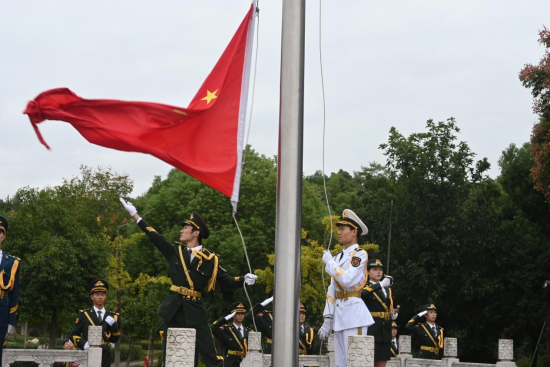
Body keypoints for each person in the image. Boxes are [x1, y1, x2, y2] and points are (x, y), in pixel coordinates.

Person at [119, 198, 258, 367]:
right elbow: (154, 235)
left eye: (186, 227)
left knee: (210, 356)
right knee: (169, 354)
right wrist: (135, 214)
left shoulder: (210, 259)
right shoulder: (175, 251)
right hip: (174, 308)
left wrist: (244, 280)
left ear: (196, 233)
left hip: (195, 310)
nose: (182, 230)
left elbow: (225, 281)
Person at [318, 209, 375, 367]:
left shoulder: (359, 254)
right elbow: (332, 290)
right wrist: (327, 318)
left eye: (343, 229)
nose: (339, 232)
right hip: (339, 315)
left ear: (354, 231)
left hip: (353, 315)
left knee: (355, 362)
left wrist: (330, 263)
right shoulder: (337, 257)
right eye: (339, 229)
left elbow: (347, 280)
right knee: (340, 364)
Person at [69, 279, 121, 367]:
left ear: (106, 296)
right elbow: (73, 335)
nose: (100, 297)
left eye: (102, 294)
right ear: (92, 297)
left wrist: (113, 325)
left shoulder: (113, 316)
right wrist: (85, 344)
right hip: (88, 352)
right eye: (97, 295)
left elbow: (114, 339)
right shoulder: (84, 314)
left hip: (104, 354)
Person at [360, 258, 398, 367]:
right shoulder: (365, 287)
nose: (378, 272)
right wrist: (380, 285)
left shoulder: (387, 290)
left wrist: (392, 314)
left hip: (384, 331)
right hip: (371, 329)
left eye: (380, 269)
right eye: (375, 269)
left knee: (382, 363)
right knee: (368, 362)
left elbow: (389, 306)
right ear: (367, 272)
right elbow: (362, 294)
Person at [0, 215, 20, 363]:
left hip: (2, 313)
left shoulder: (12, 262)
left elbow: (14, 293)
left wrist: (11, 322)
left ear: (3, 236)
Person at [210, 301, 249, 367]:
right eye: (237, 313)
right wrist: (226, 318)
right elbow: (212, 328)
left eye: (242, 313)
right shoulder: (226, 330)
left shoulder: (249, 331)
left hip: (245, 361)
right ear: (233, 315)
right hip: (231, 362)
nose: (240, 315)